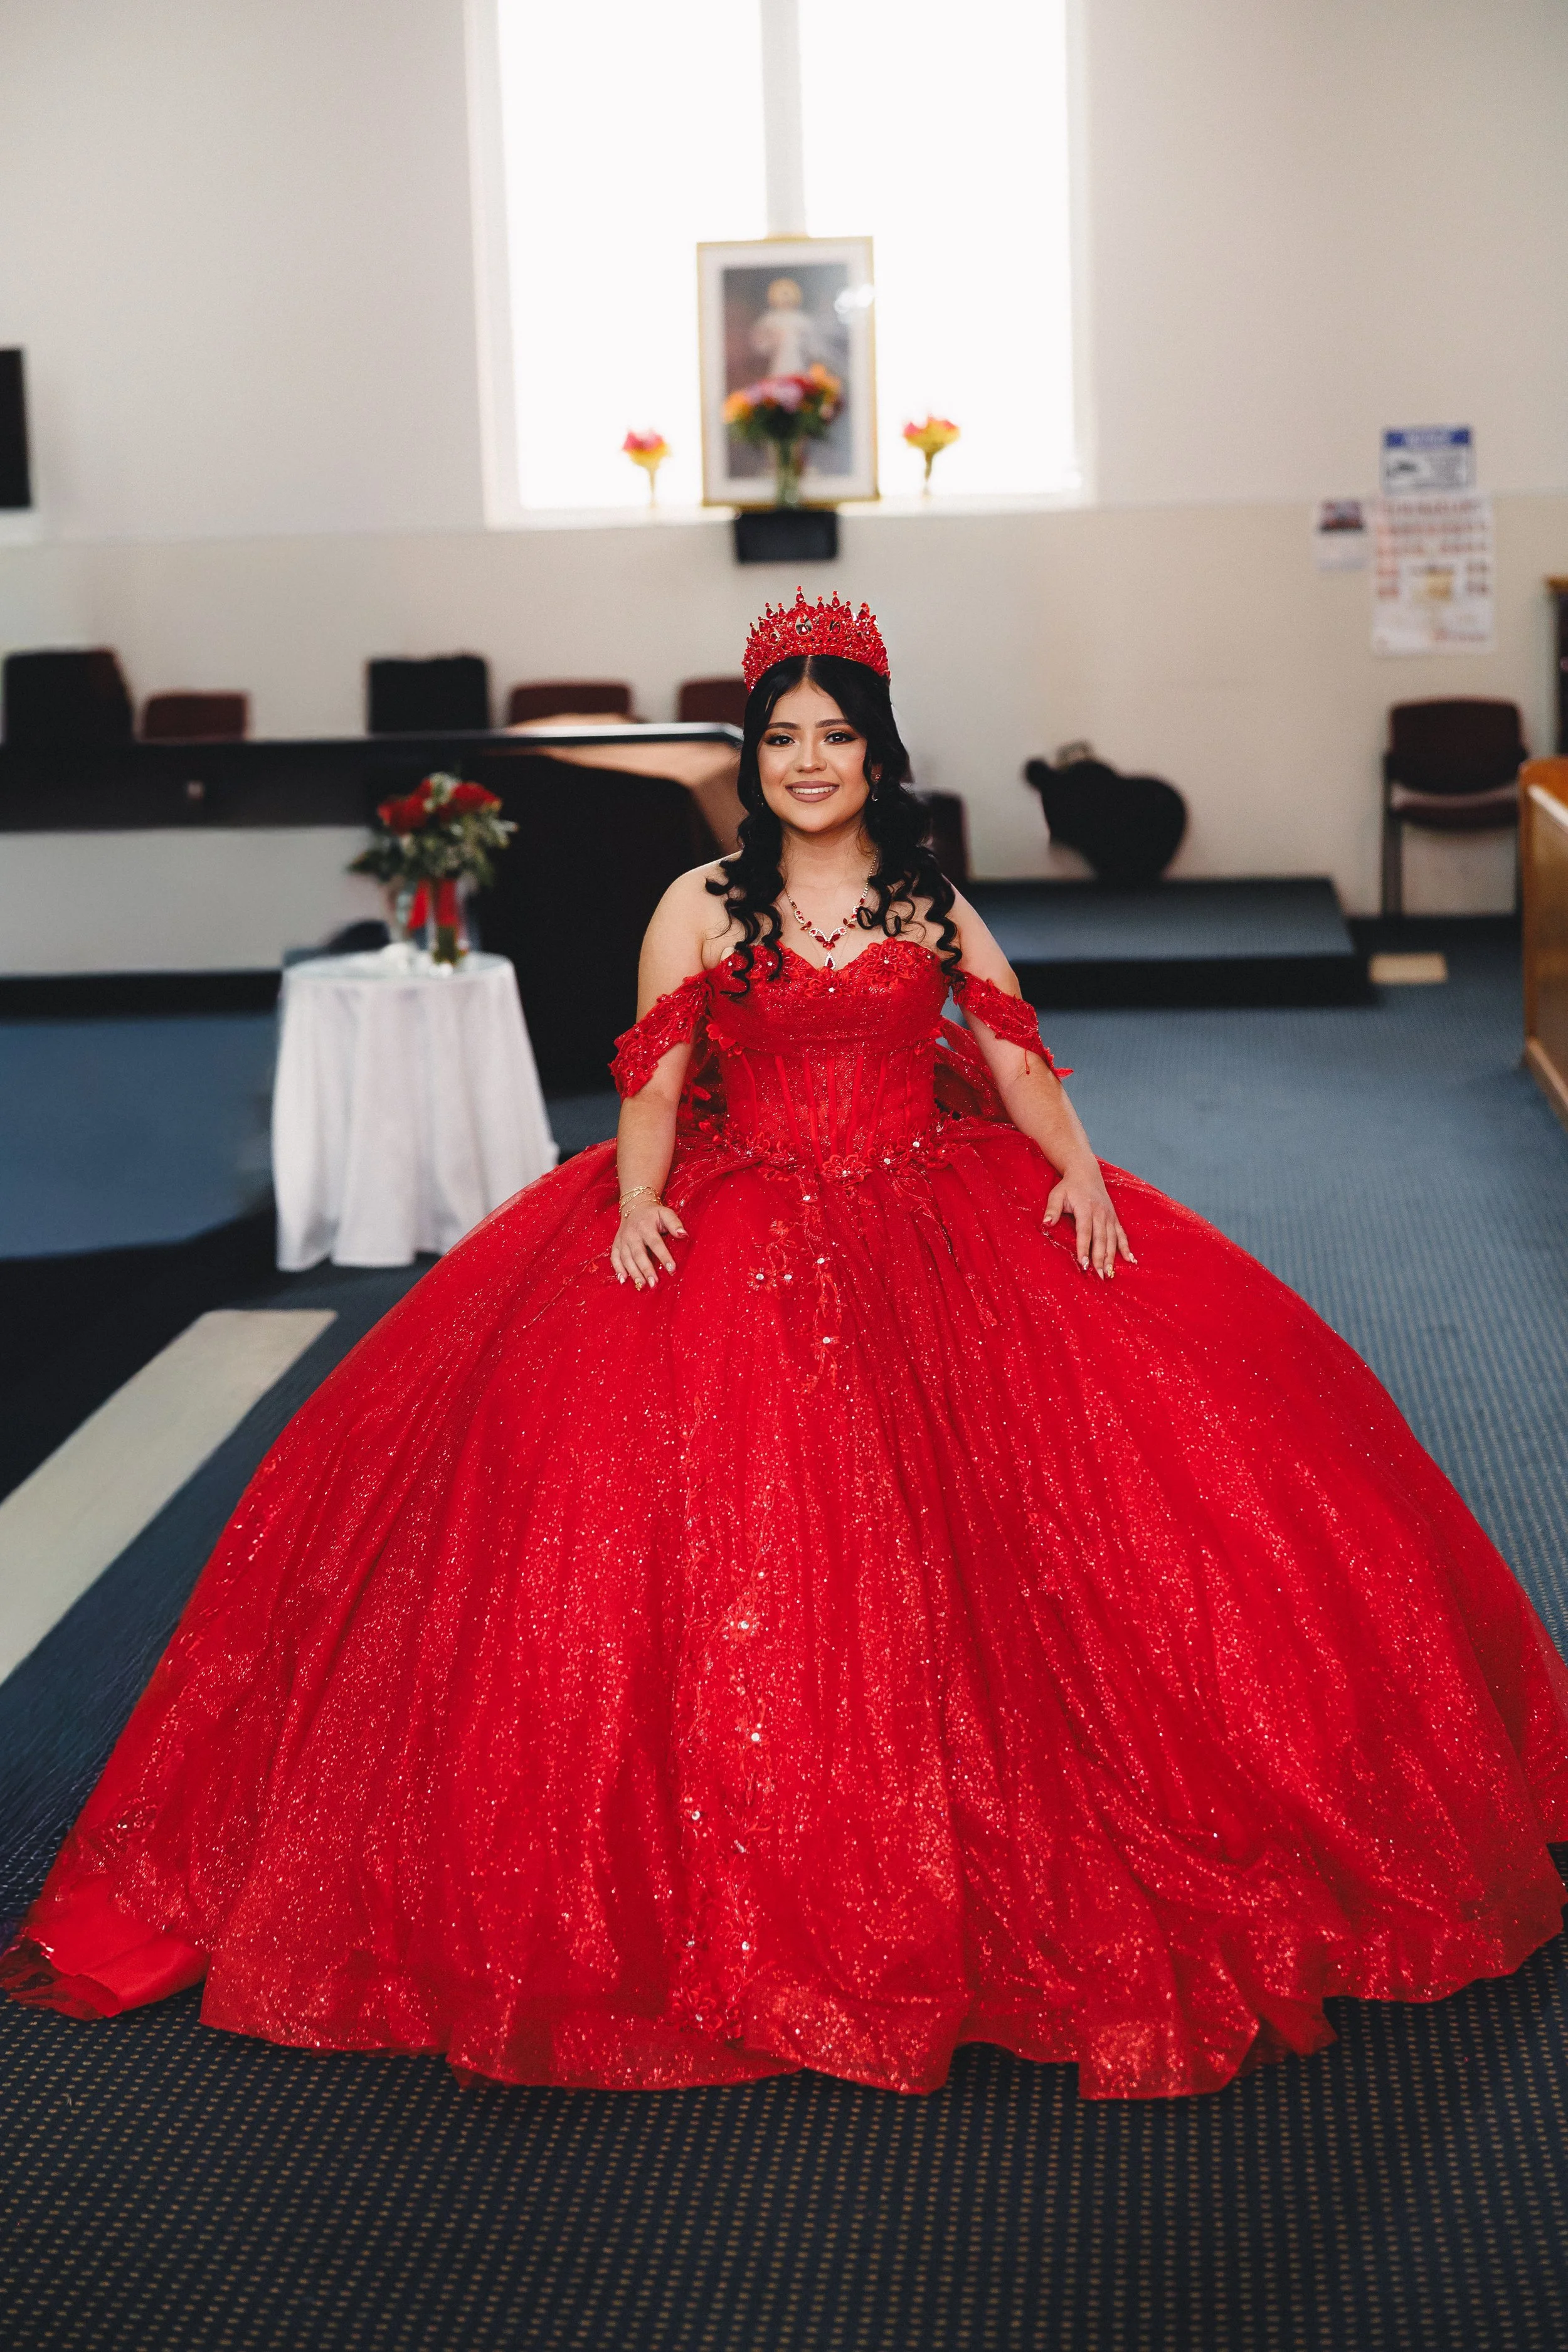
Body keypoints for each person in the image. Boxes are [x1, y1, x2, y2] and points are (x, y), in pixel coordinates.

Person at [6, 591, 1567, 2102]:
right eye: (778, 738)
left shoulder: (925, 899)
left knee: (1087, 1515)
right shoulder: (696, 901)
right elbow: (652, 1074)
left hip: (925, 1204)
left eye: (832, 735)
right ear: (750, 760)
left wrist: (1079, 1170)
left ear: (876, 753)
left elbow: (1009, 1048)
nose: (805, 761)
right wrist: (629, 1206)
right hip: (739, 1210)